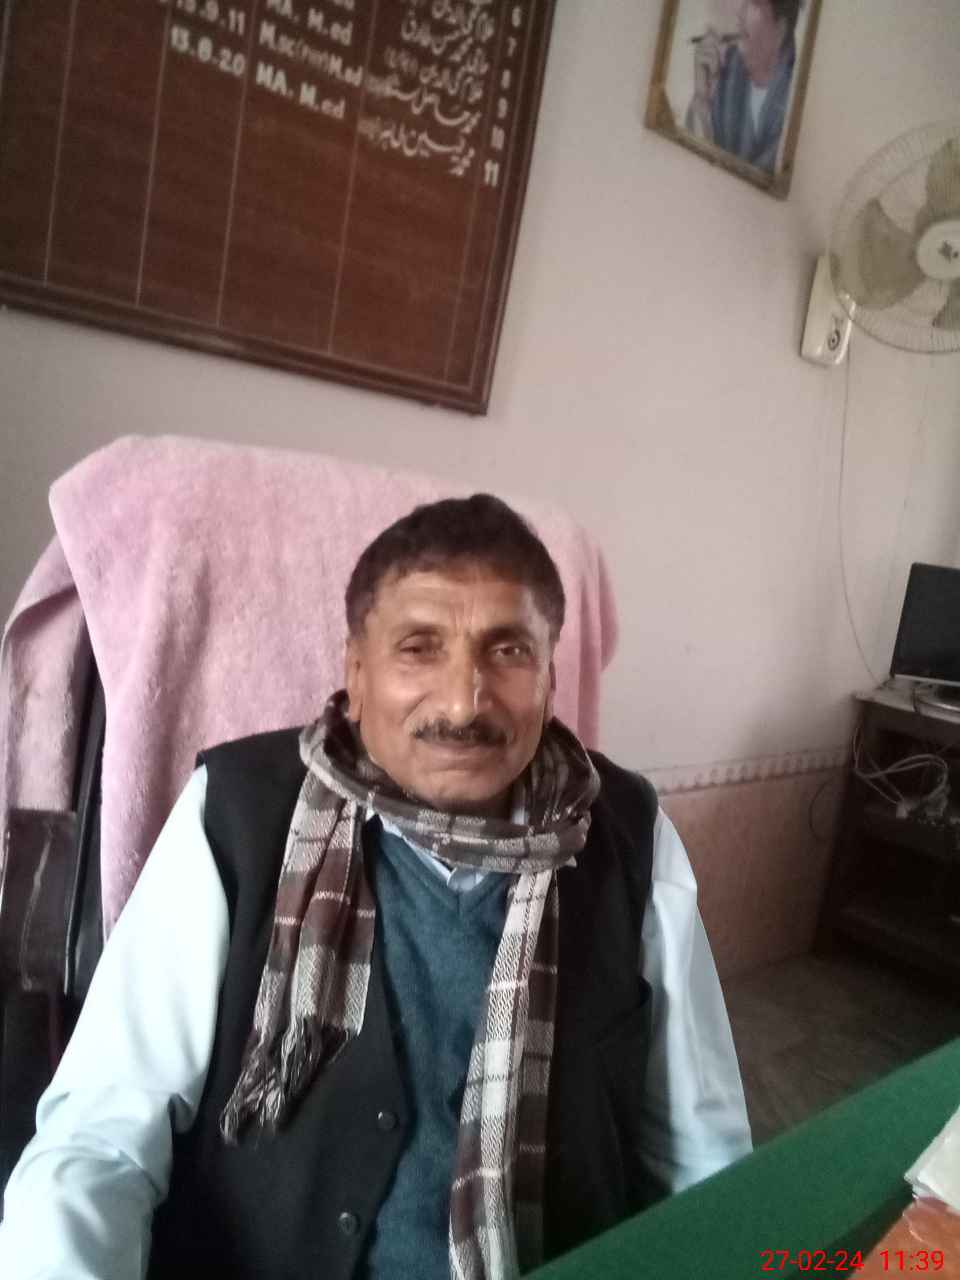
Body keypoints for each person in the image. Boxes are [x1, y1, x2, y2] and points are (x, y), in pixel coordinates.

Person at [0, 495, 751, 1279]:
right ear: (356, 676)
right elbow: (102, 1140)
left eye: (507, 651)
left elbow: (700, 1148)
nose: (463, 702)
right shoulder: (236, 816)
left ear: (550, 678)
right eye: (419, 649)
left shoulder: (630, 836)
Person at [685, 0, 801, 173]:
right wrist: (702, 96)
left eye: (753, 3)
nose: (740, 14)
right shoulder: (728, 71)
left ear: (780, 29)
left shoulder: (795, 96)